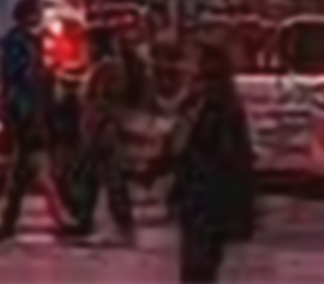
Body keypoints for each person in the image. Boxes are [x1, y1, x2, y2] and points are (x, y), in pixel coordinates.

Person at [149, 43, 255, 284]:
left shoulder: (217, 109)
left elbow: (226, 159)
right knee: (200, 266)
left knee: (199, 265)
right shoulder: (204, 105)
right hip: (201, 199)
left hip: (206, 198)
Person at [0, 0, 70, 243]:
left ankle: (58, 219)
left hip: (20, 112)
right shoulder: (20, 44)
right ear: (29, 16)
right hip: (19, 113)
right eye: (37, 13)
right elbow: (18, 79)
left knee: (27, 167)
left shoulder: (22, 42)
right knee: (4, 165)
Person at [71, 37, 136, 244]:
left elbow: (105, 101)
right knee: (93, 181)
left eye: (90, 44)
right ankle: (90, 223)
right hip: (95, 130)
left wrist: (99, 124)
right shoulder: (99, 68)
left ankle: (122, 227)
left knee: (113, 181)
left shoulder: (110, 68)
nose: (87, 48)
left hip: (103, 132)